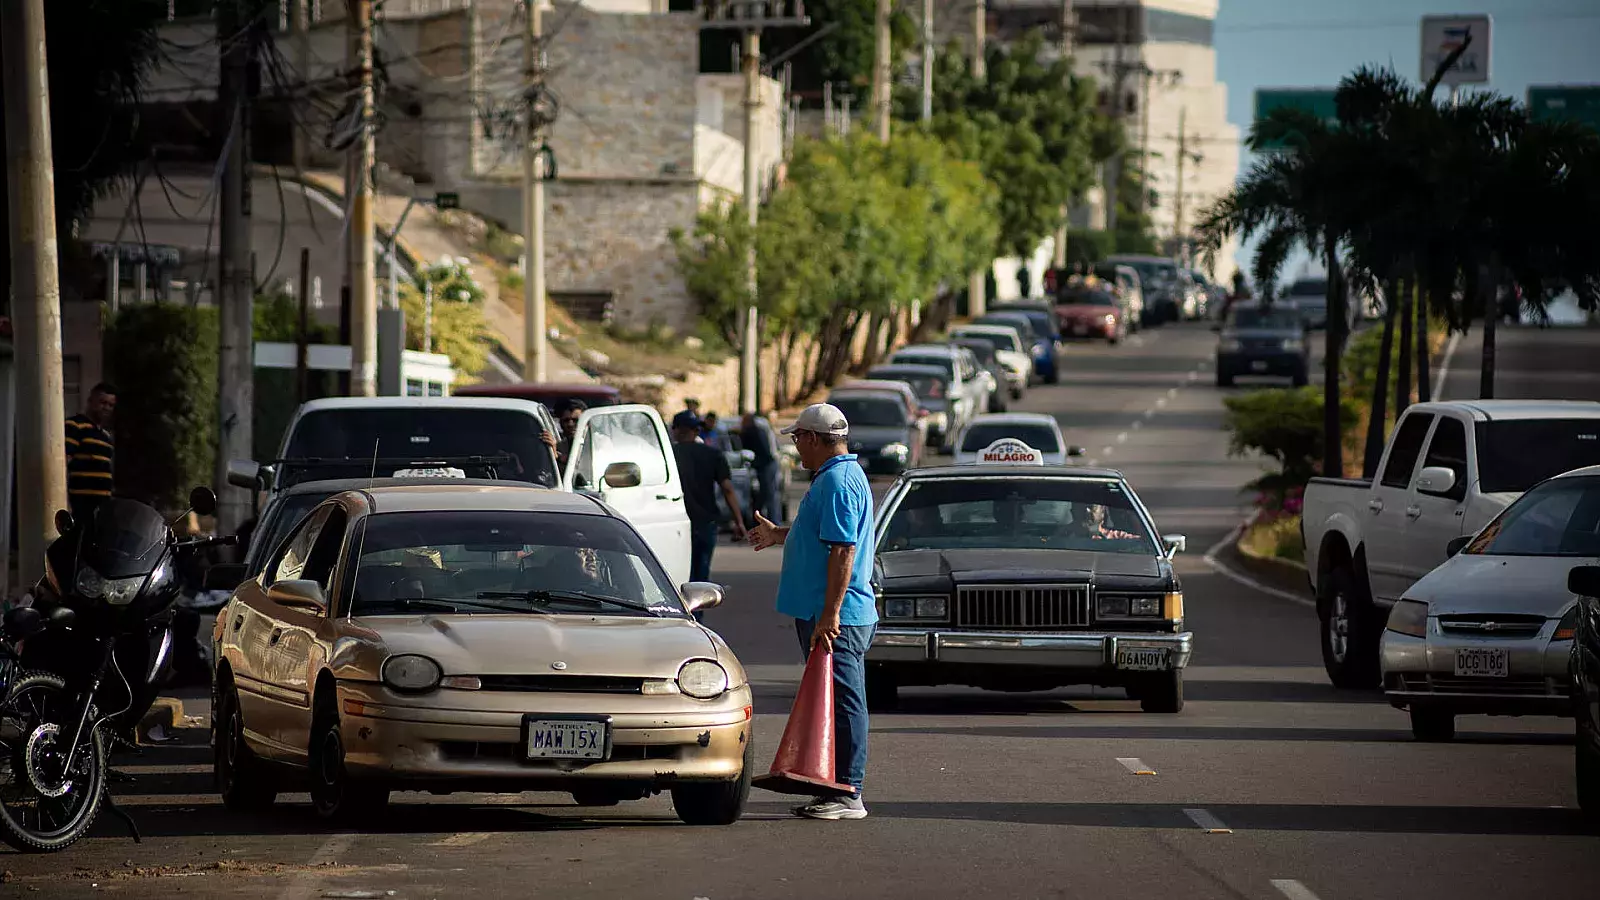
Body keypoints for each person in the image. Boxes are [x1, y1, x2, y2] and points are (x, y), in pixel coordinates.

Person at [748, 402, 877, 821]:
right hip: (828, 612)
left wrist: (830, 614)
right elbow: (823, 537)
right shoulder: (834, 478)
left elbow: (843, 550)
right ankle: (834, 786)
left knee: (843, 700)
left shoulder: (838, 482)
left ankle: (849, 791)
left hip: (838, 615)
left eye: (799, 438)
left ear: (815, 439)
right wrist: (779, 534)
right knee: (833, 698)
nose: (797, 446)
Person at [670, 411, 746, 612]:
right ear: (697, 430)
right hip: (705, 522)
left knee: (673, 575)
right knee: (700, 578)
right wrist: (739, 521)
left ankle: (677, 615)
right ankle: (697, 620)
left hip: (674, 522)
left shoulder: (667, 456)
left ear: (675, 430)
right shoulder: (713, 455)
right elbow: (727, 489)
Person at [65, 382, 117, 522]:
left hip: (101, 508)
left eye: (110, 405)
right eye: (102, 402)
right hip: (80, 506)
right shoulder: (75, 426)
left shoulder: (106, 437)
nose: (106, 408)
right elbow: (63, 463)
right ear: (90, 401)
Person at [741, 411, 783, 525]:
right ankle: (761, 521)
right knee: (765, 495)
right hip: (765, 465)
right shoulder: (758, 430)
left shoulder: (755, 432)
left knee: (770, 494)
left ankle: (774, 522)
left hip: (767, 465)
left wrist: (754, 463)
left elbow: (765, 453)